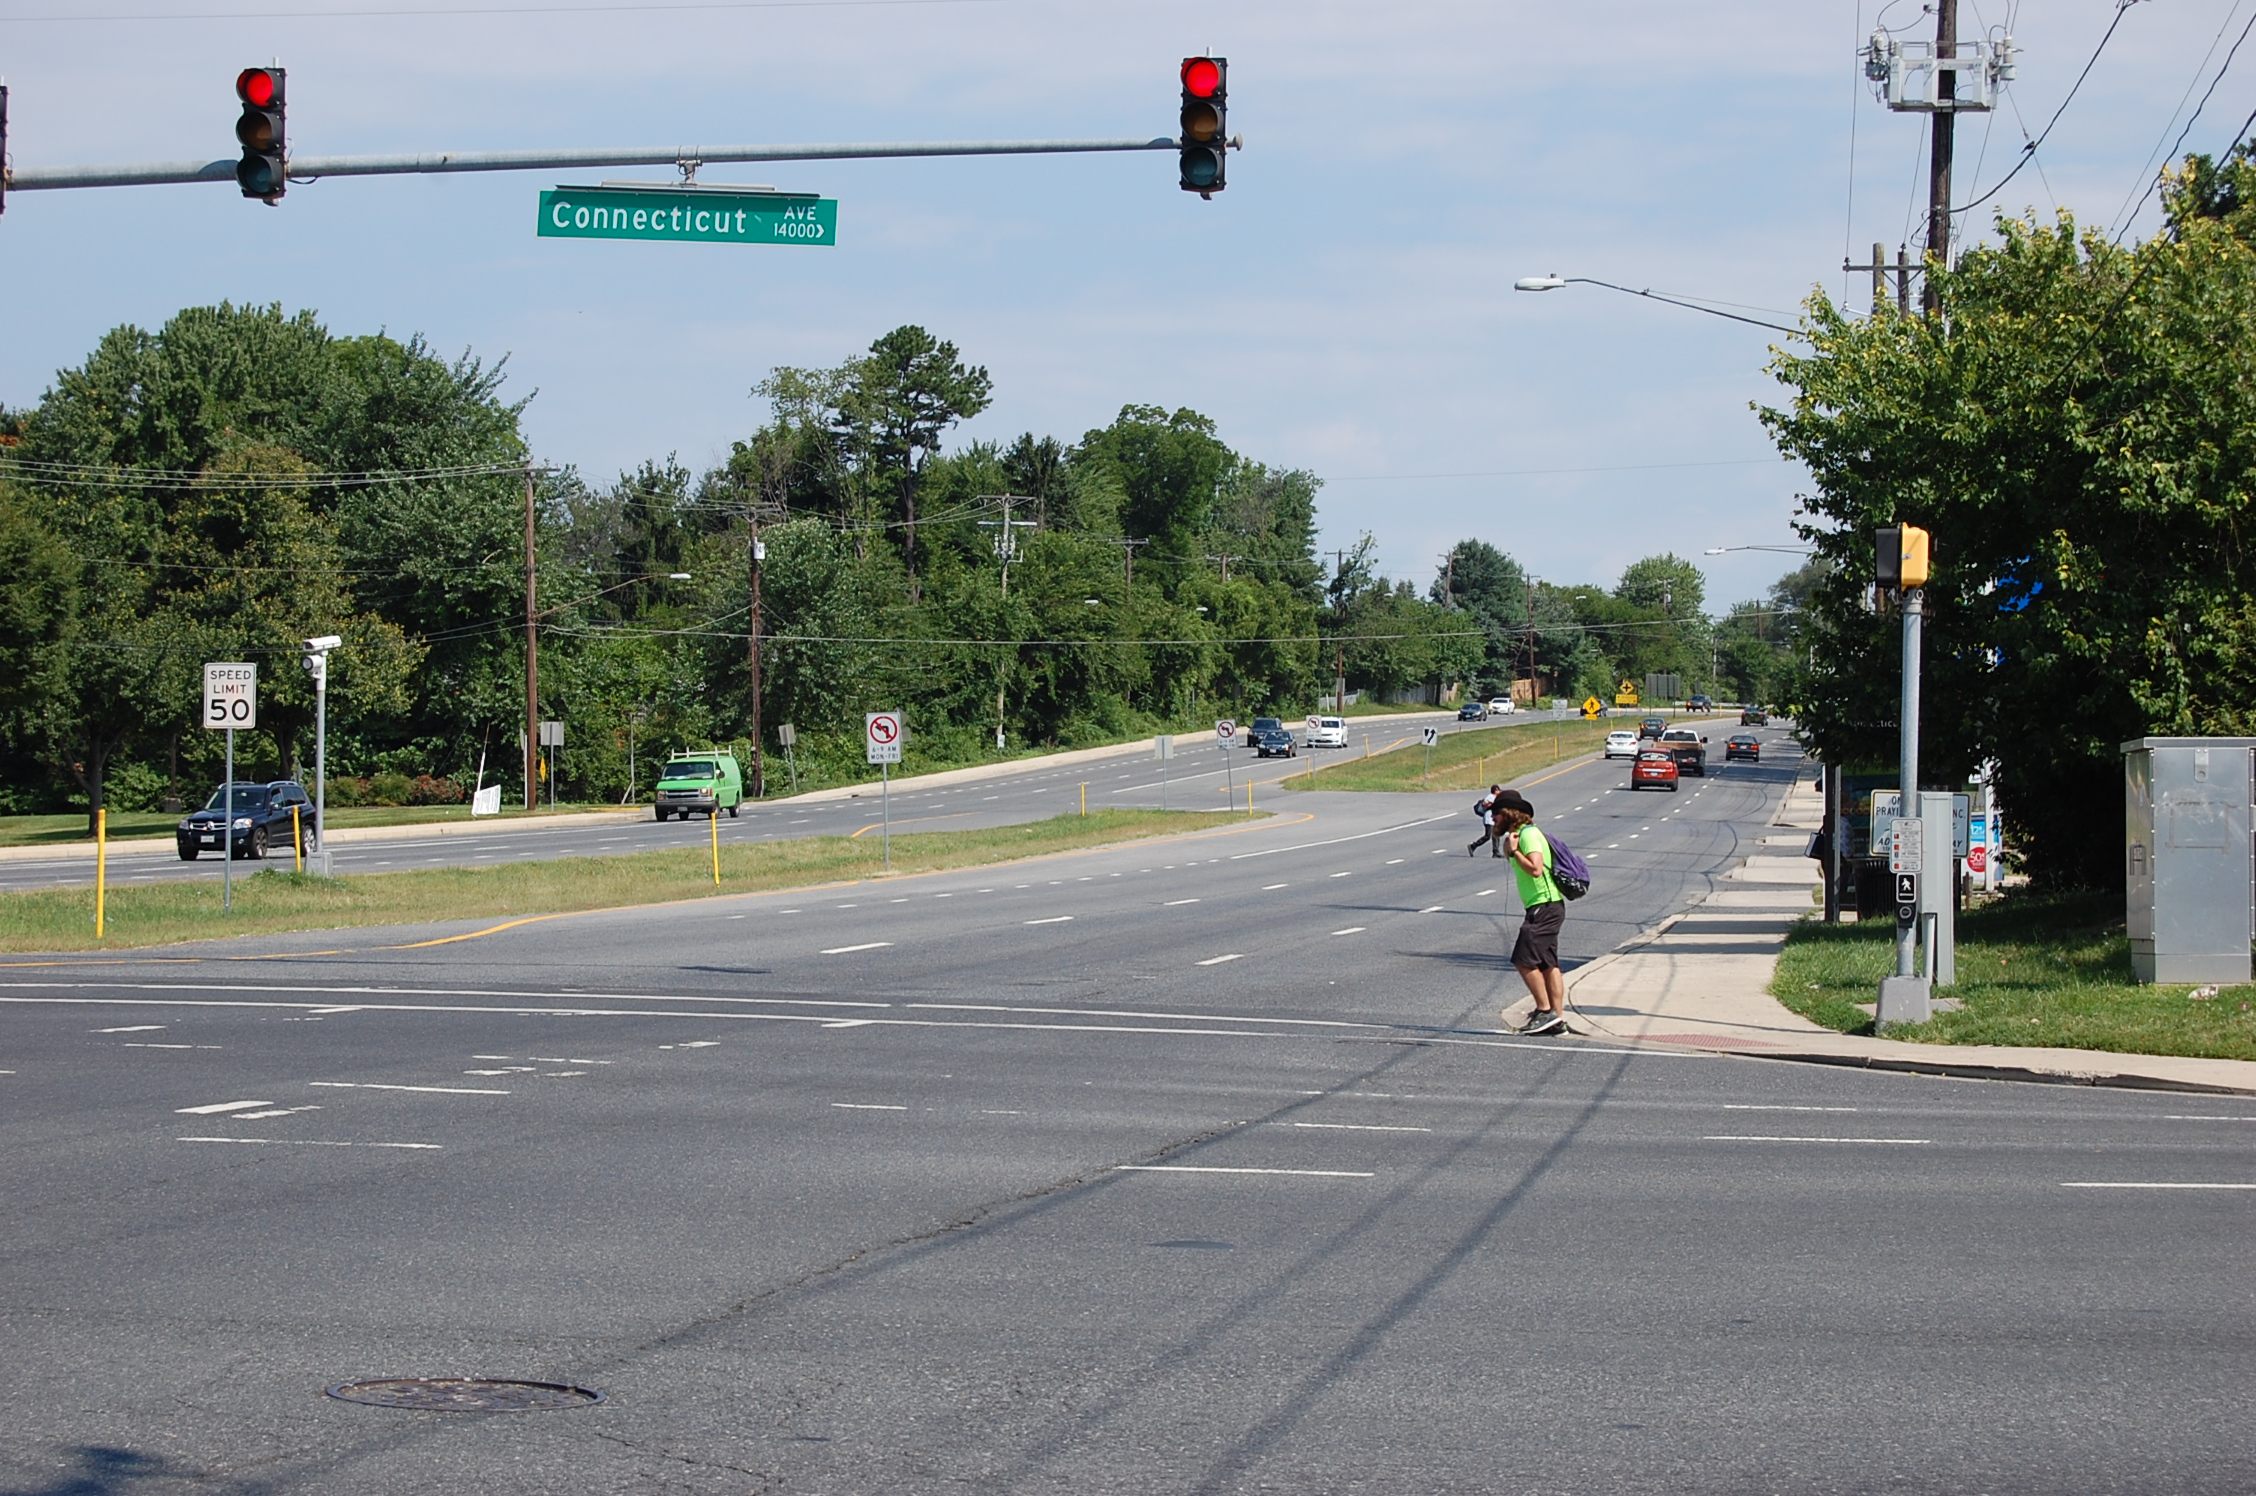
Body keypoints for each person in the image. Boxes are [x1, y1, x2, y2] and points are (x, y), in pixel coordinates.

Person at [1493, 790, 1568, 1034]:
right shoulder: (1521, 836)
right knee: (1548, 964)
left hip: (1544, 906)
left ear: (1507, 814)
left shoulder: (1529, 835)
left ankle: (1545, 1011)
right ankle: (1557, 1019)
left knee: (1522, 960)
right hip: (1544, 906)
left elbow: (1536, 869)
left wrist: (1515, 851)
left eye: (1496, 815)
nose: (1493, 819)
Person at [1467, 783, 1506, 858]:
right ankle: (1473, 846)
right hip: (1489, 819)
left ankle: (1496, 852)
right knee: (1488, 836)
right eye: (1499, 790)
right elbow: (1485, 804)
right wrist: (1493, 804)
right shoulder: (1491, 796)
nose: (1500, 792)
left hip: (1492, 819)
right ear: (1495, 790)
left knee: (1495, 835)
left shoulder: (1494, 797)